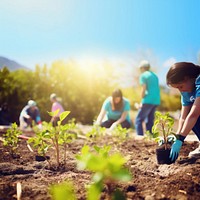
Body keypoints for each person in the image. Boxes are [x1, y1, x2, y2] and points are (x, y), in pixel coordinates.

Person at [166, 62, 200, 162]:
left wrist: (181, 139)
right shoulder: (185, 92)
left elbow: (194, 114)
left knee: (193, 116)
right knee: (189, 120)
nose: (180, 91)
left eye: (180, 86)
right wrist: (177, 136)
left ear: (188, 78)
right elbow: (183, 117)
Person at [135, 60, 161, 136]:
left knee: (139, 120)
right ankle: (150, 136)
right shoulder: (155, 76)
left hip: (147, 100)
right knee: (150, 120)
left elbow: (144, 88)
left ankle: (140, 137)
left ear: (142, 68)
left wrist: (142, 97)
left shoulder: (143, 75)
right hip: (156, 100)